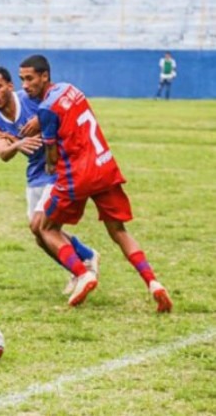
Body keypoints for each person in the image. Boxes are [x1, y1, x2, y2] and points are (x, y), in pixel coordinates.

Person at [18, 54, 172, 312]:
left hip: (77, 174)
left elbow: (52, 156)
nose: (25, 85)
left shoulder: (45, 110)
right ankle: (153, 283)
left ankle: (82, 272)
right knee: (119, 231)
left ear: (45, 76)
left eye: (30, 79)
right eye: (22, 79)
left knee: (44, 228)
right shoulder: (71, 89)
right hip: (105, 165)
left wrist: (45, 159)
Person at [0, 66, 100, 295]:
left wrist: (41, 118)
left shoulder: (32, 98)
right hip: (35, 173)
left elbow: (61, 108)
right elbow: (3, 153)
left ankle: (82, 273)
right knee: (40, 235)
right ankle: (85, 258)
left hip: (57, 167)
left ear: (10, 86)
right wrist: (17, 144)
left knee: (40, 225)